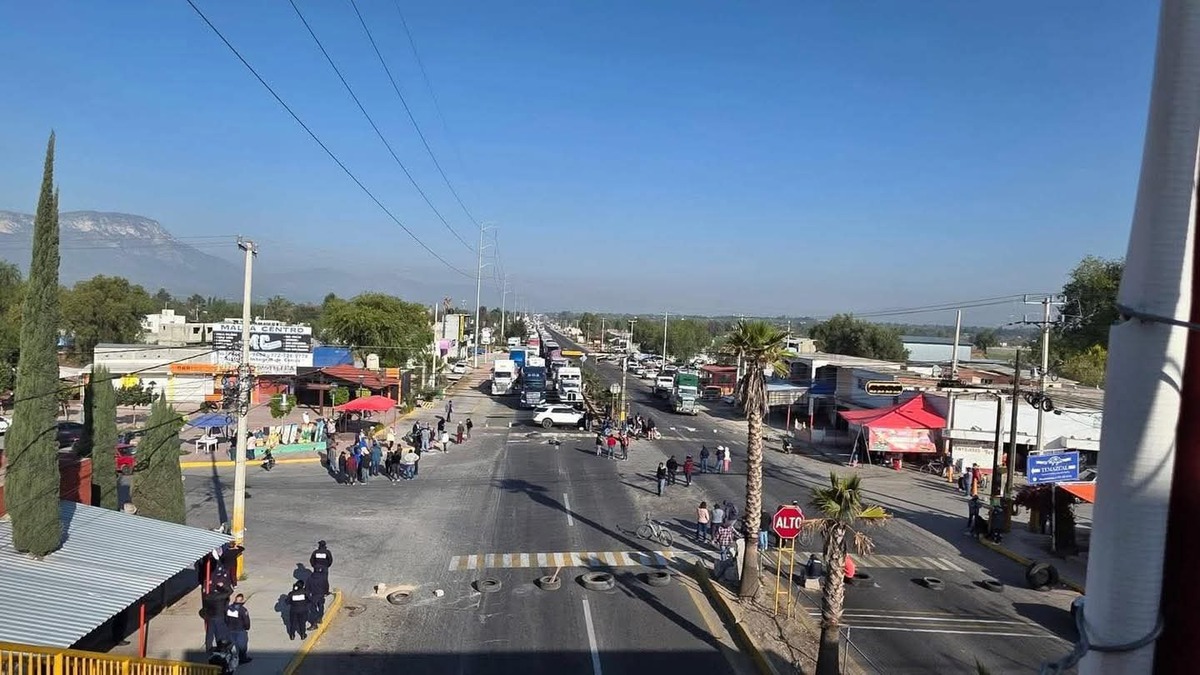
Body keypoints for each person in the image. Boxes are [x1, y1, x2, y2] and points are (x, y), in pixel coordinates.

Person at [201, 578, 232, 652]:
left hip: (211, 617)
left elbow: (205, 591)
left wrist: (207, 584)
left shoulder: (207, 596)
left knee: (210, 634)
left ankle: (208, 648)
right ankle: (221, 648)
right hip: (219, 617)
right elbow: (230, 591)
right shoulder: (220, 597)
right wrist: (222, 585)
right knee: (220, 634)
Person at [223, 593, 251, 664]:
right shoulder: (243, 610)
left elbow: (225, 619)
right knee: (242, 646)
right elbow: (246, 621)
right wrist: (247, 627)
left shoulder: (228, 608)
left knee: (229, 646)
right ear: (241, 601)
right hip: (240, 630)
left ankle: (227, 658)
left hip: (230, 630)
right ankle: (242, 659)